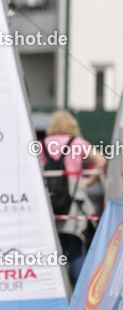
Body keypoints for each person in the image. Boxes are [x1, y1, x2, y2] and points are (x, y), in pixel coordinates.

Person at [40, 110, 107, 286]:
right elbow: (101, 160)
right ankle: (79, 292)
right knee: (76, 247)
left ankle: (54, 288)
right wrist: (88, 181)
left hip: (50, 202)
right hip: (73, 202)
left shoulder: (42, 144)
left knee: (53, 248)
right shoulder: (77, 143)